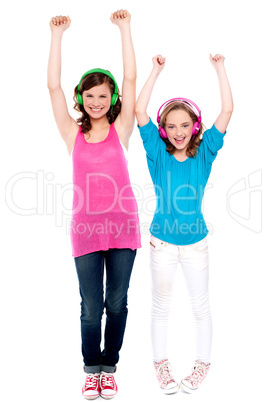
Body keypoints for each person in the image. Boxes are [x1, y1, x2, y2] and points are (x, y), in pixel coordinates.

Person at [47, 10, 141, 400]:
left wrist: (124, 28)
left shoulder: (122, 131)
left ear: (113, 98)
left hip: (124, 227)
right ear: (81, 99)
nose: (97, 102)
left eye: (104, 96)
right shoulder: (73, 133)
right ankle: (91, 369)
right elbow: (52, 87)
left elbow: (132, 78)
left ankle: (110, 366)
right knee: (90, 307)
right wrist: (57, 36)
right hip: (85, 230)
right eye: (90, 96)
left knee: (116, 303)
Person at [135, 54, 233, 394]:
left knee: (200, 304)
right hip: (161, 243)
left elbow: (227, 112)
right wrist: (155, 71)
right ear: (163, 130)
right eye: (171, 126)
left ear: (195, 126)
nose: (178, 132)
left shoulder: (204, 152)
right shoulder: (157, 153)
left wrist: (219, 68)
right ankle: (161, 365)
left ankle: (202, 363)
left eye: (184, 125)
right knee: (160, 306)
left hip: (196, 245)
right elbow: (139, 112)